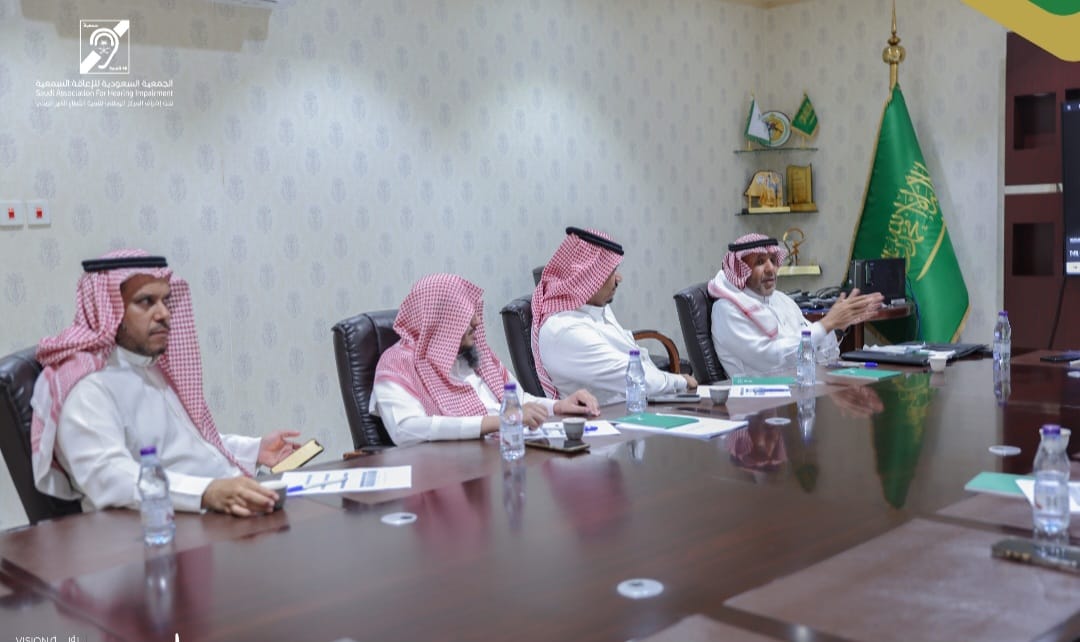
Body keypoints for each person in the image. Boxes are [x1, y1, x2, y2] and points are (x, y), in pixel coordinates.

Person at [30, 250, 301, 517]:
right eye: (146, 301)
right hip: (168, 527)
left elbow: (186, 447)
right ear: (108, 309)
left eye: (165, 300)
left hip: (221, 512)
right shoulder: (88, 389)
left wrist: (254, 450)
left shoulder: (149, 366)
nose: (163, 313)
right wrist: (207, 492)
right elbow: (110, 476)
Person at [371, 273, 599, 446]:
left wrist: (558, 406)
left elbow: (519, 402)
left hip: (508, 453)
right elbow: (405, 428)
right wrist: (498, 421)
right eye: (465, 314)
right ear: (439, 319)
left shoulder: (475, 354)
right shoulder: (398, 363)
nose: (476, 322)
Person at [532, 227, 697, 405]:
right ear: (589, 277)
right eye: (611, 271)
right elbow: (635, 377)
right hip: (608, 417)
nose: (619, 279)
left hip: (641, 403)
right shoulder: (565, 330)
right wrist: (679, 381)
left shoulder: (595, 308)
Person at [709, 233, 884, 377]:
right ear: (741, 270)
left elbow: (819, 355)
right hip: (756, 402)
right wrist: (827, 323)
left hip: (800, 390)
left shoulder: (782, 300)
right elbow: (775, 361)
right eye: (760, 262)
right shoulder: (727, 309)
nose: (771, 269)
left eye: (773, 260)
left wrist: (838, 327)